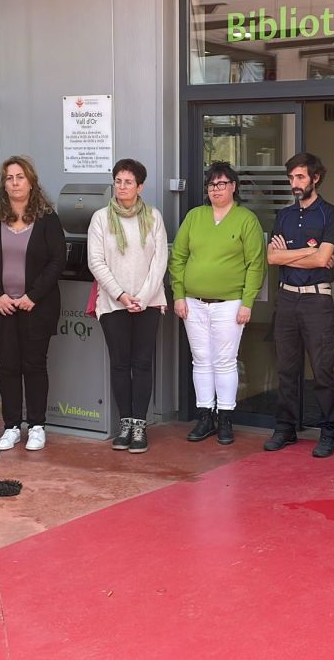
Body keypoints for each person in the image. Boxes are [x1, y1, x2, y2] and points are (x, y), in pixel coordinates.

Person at [0, 156, 67, 452]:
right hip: (1, 307)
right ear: (4, 183)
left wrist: (32, 296)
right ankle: (11, 426)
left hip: (36, 307)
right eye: (9, 178)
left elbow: (57, 259)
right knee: (8, 366)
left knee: (35, 365)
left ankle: (37, 426)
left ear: (31, 181)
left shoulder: (47, 217)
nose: (14, 182)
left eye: (20, 177)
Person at [170, 161, 265, 446]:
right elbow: (178, 257)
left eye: (222, 183)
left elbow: (255, 264)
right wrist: (178, 294)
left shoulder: (246, 219)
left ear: (233, 187)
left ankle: (225, 417)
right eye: (212, 184)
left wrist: (247, 302)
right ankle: (205, 415)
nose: (216, 189)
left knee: (224, 361)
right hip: (193, 303)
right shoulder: (195, 217)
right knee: (201, 360)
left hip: (230, 303)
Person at [264, 152, 334, 456]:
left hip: (317, 299)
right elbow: (272, 258)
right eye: (291, 178)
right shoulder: (283, 215)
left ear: (316, 178)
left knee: (323, 368)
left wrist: (294, 253)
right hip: (286, 299)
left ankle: (329, 431)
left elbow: (324, 259)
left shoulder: (332, 214)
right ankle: (285, 428)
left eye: (300, 177)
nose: (294, 183)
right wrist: (307, 253)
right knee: (286, 367)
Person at [88, 159, 168, 454]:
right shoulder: (100, 218)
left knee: (142, 363)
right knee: (120, 364)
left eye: (128, 182)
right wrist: (122, 296)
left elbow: (160, 260)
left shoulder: (154, 218)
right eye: (118, 181)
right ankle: (125, 423)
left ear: (140, 186)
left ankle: (140, 426)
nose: (122, 187)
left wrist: (143, 297)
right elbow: (96, 261)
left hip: (148, 302)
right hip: (113, 302)